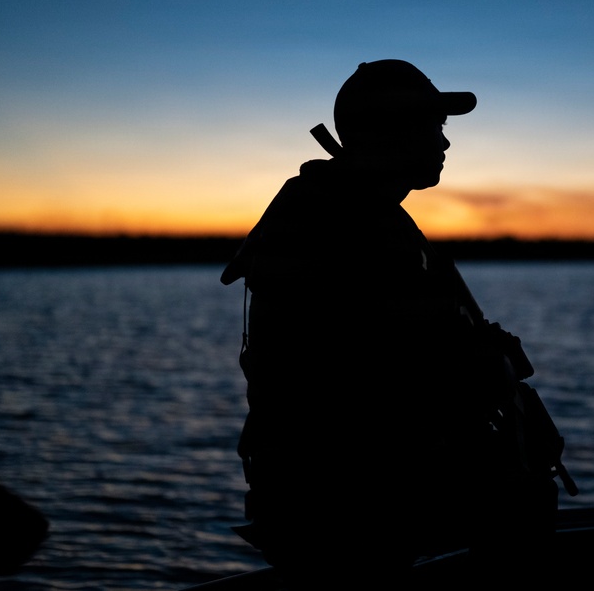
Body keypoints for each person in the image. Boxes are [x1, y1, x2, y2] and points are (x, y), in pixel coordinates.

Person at [221, 60, 560, 585]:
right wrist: (486, 366)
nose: (445, 143)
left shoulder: (352, 212)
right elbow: (380, 380)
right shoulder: (341, 223)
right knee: (521, 508)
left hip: (345, 493)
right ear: (390, 131)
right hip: (341, 506)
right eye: (434, 127)